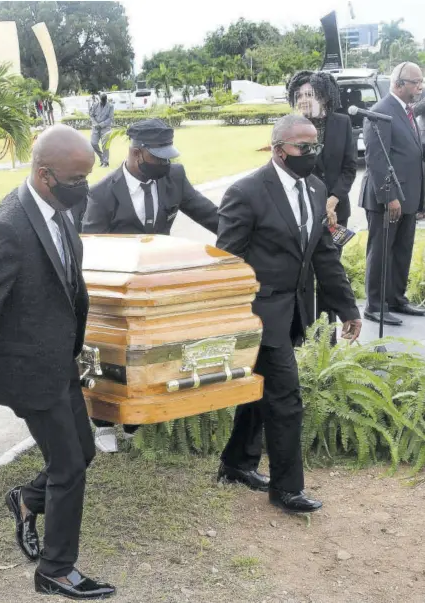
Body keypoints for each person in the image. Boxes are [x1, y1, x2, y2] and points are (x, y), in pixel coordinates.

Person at [0, 125, 115, 599]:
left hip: (60, 364)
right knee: (69, 466)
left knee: (82, 452)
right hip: (27, 373)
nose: (86, 187)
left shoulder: (60, 210)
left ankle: (26, 499)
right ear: (44, 174)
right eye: (78, 178)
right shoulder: (6, 228)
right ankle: (55, 571)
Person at [217, 114, 362, 513]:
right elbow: (227, 262)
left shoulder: (315, 188)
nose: (312, 154)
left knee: (259, 390)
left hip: (292, 310)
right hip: (258, 314)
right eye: (304, 147)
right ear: (279, 150)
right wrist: (237, 319)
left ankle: (235, 463)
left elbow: (322, 254)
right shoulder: (246, 192)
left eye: (316, 146)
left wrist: (347, 307)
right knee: (285, 398)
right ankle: (286, 489)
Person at [81, 118, 219, 452]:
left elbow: (210, 214)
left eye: (169, 156)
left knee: (147, 354)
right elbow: (89, 248)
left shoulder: (174, 177)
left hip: (154, 289)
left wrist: (244, 235)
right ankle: (103, 421)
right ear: (137, 153)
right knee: (109, 355)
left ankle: (134, 420)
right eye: (159, 157)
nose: (166, 163)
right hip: (114, 292)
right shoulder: (101, 194)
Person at [287, 70, 358, 342]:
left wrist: (332, 199)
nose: (304, 99)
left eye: (310, 94)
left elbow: (350, 168)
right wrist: (318, 200)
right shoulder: (292, 126)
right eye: (300, 95)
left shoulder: (342, 123)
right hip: (303, 210)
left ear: (325, 97)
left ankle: (326, 339)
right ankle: (302, 336)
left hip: (336, 211)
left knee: (329, 272)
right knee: (304, 274)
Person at [360, 62, 425, 326]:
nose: (420, 88)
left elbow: (412, 156)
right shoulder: (379, 112)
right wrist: (390, 197)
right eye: (416, 82)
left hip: (408, 198)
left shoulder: (407, 112)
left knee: (402, 251)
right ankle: (375, 305)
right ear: (398, 83)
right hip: (386, 199)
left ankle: (396, 298)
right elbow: (377, 158)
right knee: (381, 251)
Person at [89, 94, 114, 167]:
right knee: (93, 143)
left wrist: (101, 125)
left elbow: (110, 118)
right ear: (99, 100)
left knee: (105, 145)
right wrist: (95, 124)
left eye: (104, 101)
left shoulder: (110, 106)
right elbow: (91, 115)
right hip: (95, 127)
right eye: (101, 101)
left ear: (106, 100)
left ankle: (105, 162)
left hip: (105, 128)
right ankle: (102, 158)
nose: (102, 102)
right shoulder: (95, 105)